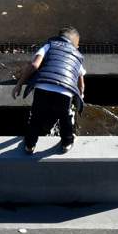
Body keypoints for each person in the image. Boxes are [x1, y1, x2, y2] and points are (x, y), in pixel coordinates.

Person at [17, 26, 85, 154]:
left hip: (43, 85)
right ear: (75, 44)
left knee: (36, 117)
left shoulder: (49, 45)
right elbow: (81, 82)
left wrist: (19, 84)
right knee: (65, 118)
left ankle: (30, 145)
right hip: (64, 90)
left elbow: (34, 65)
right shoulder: (78, 56)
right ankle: (67, 143)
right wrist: (80, 96)